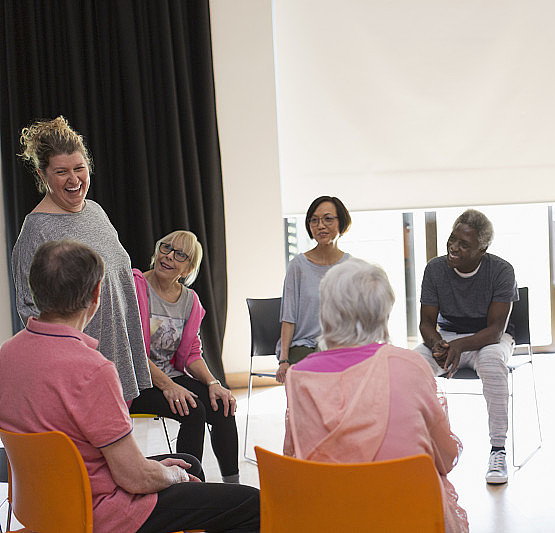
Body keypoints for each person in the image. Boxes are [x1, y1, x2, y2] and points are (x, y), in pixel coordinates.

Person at [0, 240, 259, 533]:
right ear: (96, 295)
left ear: (34, 289)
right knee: (252, 503)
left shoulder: (6, 354)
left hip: (44, 504)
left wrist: (168, 470)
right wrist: (173, 476)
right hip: (102, 512)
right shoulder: (94, 370)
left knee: (188, 463)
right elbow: (135, 479)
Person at [283, 259, 468, 533]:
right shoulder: (409, 364)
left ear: (326, 312)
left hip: (331, 518)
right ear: (383, 312)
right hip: (407, 516)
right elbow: (446, 455)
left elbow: (294, 458)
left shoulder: (298, 376)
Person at [11, 116, 150, 402]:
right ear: (42, 175)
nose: (74, 180)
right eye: (61, 172)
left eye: (79, 168)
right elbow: (30, 311)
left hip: (118, 360)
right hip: (78, 374)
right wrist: (76, 360)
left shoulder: (96, 212)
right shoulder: (36, 231)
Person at [414, 209, 518, 484]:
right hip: (449, 337)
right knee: (413, 366)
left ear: (482, 249)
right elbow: (426, 323)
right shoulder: (435, 269)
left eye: (464, 244)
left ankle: (498, 450)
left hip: (489, 339)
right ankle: (419, 449)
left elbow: (495, 331)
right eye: (453, 239)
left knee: (492, 363)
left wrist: (459, 346)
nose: (454, 247)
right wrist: (437, 344)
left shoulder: (501, 270)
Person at [129, 231, 240, 483]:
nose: (169, 256)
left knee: (222, 404)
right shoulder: (134, 286)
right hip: (136, 381)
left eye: (180, 254)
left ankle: (233, 485)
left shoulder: (190, 300)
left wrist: (213, 383)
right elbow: (131, 350)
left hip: (170, 377)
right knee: (193, 410)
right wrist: (169, 386)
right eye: (166, 248)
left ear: (188, 268)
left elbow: (192, 354)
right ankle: (190, 488)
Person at [276, 195, 352, 383]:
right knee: (319, 379)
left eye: (328, 219)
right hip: (303, 345)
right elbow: (288, 317)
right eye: (314, 220)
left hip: (338, 345)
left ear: (341, 222)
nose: (320, 226)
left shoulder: (351, 266)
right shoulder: (298, 265)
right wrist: (283, 359)